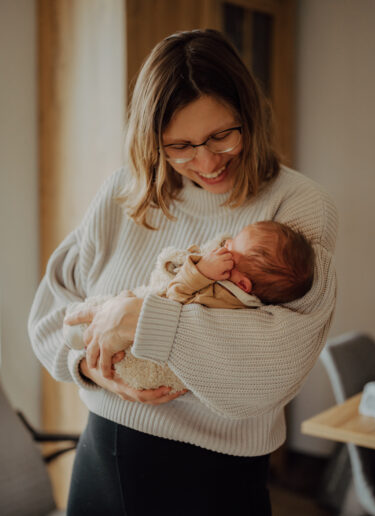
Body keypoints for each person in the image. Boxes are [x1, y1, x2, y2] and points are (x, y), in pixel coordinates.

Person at [28, 29, 337, 516]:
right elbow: (50, 312)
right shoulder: (122, 193)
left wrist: (140, 318)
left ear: (249, 116)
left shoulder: (296, 205)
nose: (208, 162)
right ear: (153, 141)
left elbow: (279, 360)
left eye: (222, 135)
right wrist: (93, 368)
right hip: (102, 456)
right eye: (181, 146)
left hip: (215, 473)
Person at [63, 220, 315, 392]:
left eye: (230, 250)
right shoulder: (236, 289)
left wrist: (200, 272)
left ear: (243, 284)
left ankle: (80, 335)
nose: (223, 246)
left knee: (102, 314)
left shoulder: (221, 297)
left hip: (140, 349)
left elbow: (171, 300)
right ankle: (83, 341)